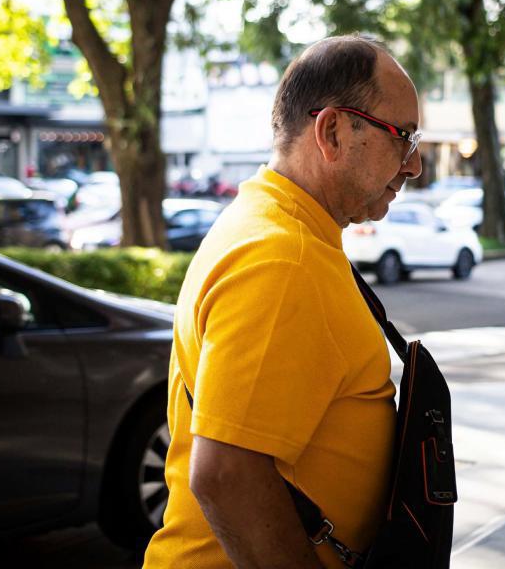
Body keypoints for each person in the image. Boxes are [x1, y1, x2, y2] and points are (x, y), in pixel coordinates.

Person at [143, 35, 423, 569]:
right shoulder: (283, 257)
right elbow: (226, 476)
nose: (413, 165)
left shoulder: (279, 228)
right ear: (334, 131)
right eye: (402, 137)